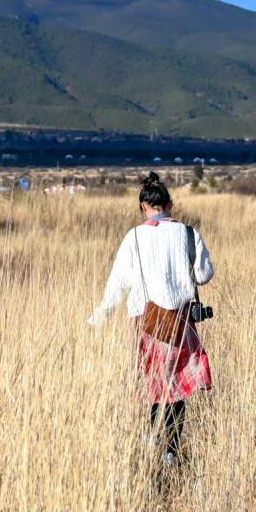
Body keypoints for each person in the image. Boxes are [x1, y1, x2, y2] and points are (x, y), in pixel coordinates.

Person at [88, 172, 215, 463]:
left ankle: (153, 438)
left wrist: (99, 317)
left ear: (143, 207)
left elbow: (117, 285)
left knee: (154, 386)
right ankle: (171, 449)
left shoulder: (133, 237)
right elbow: (204, 275)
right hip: (181, 323)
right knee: (178, 387)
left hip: (146, 323)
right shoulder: (188, 234)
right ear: (170, 204)